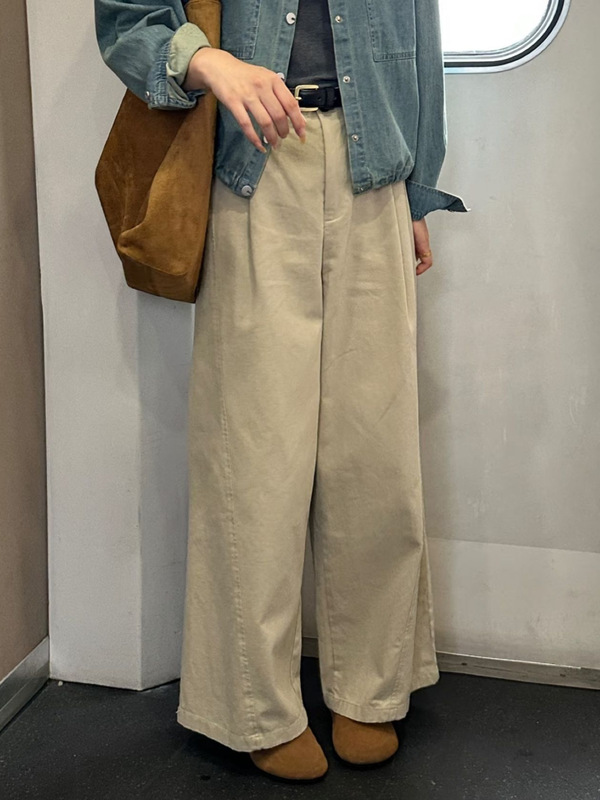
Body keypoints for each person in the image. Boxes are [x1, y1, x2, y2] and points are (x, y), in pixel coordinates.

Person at [95, 0, 470, 783]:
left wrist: (419, 189)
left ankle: (371, 687)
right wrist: (210, 62)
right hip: (254, 164)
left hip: (375, 168)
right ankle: (251, 706)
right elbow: (128, 17)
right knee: (255, 455)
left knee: (376, 453)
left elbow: (419, 34)